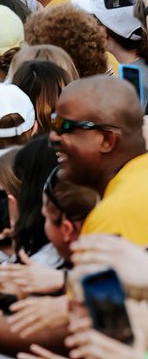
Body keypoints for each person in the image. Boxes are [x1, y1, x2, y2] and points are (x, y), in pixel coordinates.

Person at [49, 75, 148, 243]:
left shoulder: (113, 217)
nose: (53, 136)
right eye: (54, 122)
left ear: (107, 140)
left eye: (65, 126)